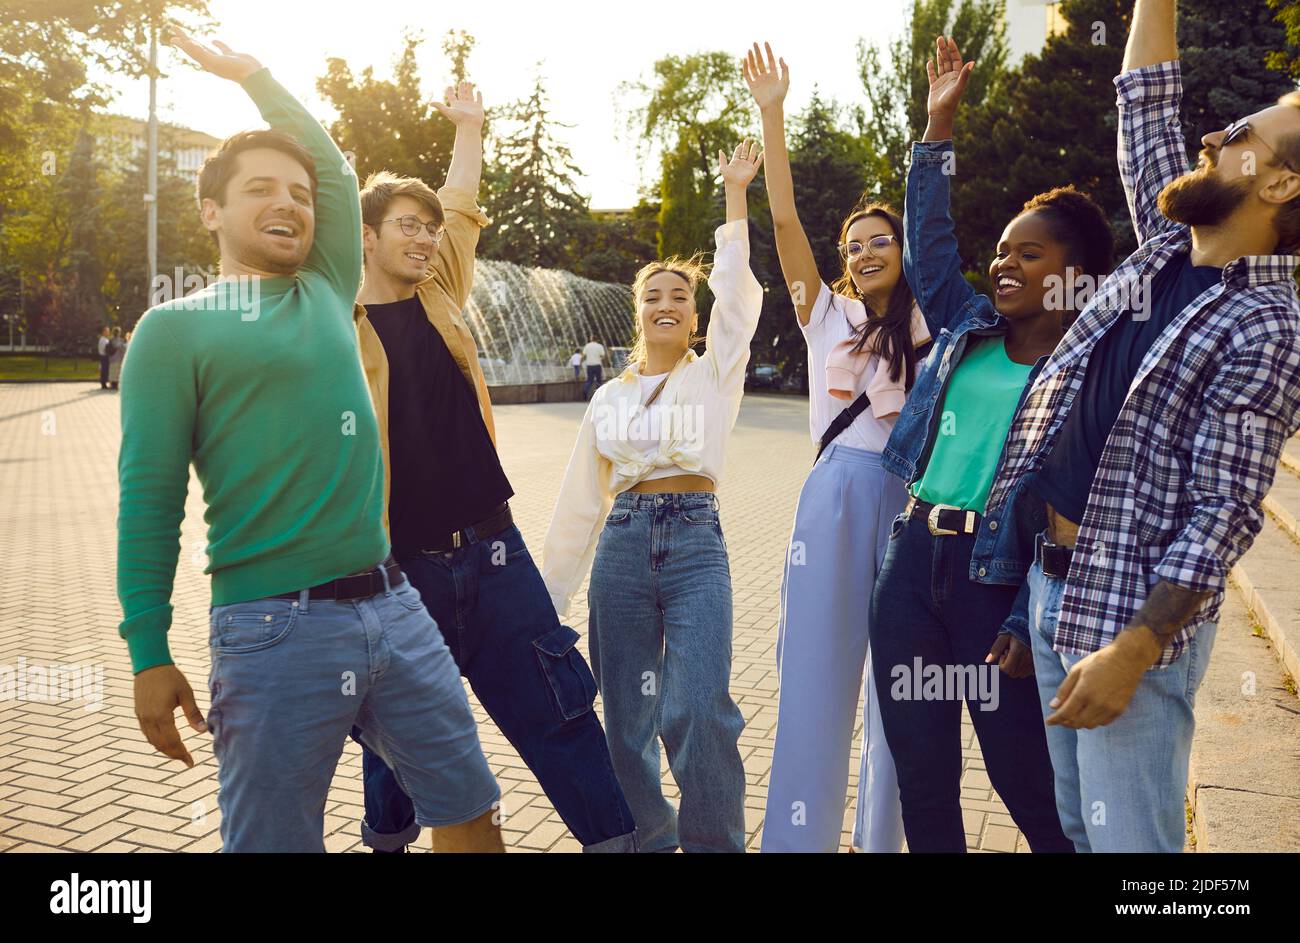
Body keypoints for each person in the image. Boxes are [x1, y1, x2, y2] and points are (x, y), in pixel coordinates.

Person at [118, 27, 502, 853]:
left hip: (395, 605)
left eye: (296, 191)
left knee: (469, 805)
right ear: (210, 210)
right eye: (261, 188)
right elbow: (148, 503)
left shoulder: (328, 288)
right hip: (269, 630)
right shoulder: (173, 330)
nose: (289, 201)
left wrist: (253, 74)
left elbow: (333, 169)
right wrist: (149, 650)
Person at [986, 0, 1300, 853]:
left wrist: (1136, 647)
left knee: (1134, 856)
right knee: (1083, 837)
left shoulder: (1266, 322)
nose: (1209, 139)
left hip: (1128, 615)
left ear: (1278, 184)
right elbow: (1145, 97)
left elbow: (1226, 510)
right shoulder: (1170, 242)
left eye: (1236, 134)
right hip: (1054, 586)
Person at [348, 81, 635, 853]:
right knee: (395, 732)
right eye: (406, 226)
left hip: (497, 552)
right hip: (402, 569)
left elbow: (462, 205)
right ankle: (388, 840)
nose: (424, 238)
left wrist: (470, 126)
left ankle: (619, 844)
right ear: (366, 235)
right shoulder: (334, 327)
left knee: (562, 708)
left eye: (428, 229)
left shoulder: (439, 293)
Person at [868, 36, 1114, 853]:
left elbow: (1072, 506)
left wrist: (1020, 611)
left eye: (1027, 252)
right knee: (924, 777)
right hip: (911, 566)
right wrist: (937, 130)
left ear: (1073, 274)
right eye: (1003, 249)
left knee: (1027, 785)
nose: (1004, 262)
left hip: (997, 582)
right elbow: (931, 244)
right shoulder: (969, 327)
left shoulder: (1087, 372)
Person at [542, 140, 765, 853]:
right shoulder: (609, 395)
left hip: (697, 542)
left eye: (680, 297)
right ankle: (648, 833)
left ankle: (713, 844)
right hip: (624, 543)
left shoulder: (716, 374)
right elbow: (581, 501)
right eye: (652, 296)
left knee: (699, 707)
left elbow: (739, 295)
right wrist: (549, 604)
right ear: (636, 313)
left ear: (695, 318)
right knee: (625, 718)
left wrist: (735, 194)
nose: (667, 304)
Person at [744, 42, 928, 854]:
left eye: (877, 239)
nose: (861, 251)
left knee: (900, 690)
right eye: (852, 244)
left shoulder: (938, 326)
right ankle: (799, 839)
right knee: (816, 674)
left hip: (914, 503)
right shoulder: (828, 318)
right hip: (838, 492)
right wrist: (772, 113)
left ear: (905, 247)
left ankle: (880, 839)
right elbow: (784, 223)